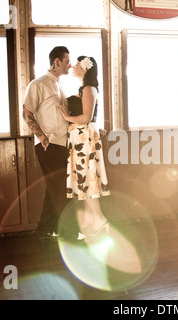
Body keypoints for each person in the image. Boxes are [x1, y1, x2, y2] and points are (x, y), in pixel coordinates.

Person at [23, 46, 78, 241]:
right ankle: (70, 233)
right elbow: (27, 113)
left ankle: (45, 229)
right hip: (50, 144)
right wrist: (43, 138)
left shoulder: (59, 85)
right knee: (62, 190)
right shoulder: (38, 84)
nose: (69, 65)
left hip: (62, 144)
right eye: (66, 61)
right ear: (56, 62)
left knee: (54, 188)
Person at [58, 56, 110, 239]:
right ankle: (95, 220)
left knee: (87, 178)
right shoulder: (85, 89)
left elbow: (86, 118)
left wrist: (66, 117)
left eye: (78, 64)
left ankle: (100, 219)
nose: (73, 66)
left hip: (83, 139)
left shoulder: (89, 88)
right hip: (79, 138)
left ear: (85, 69)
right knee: (83, 180)